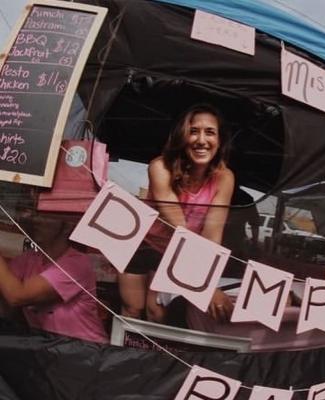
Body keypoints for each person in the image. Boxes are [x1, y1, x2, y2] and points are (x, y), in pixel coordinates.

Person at [119, 103, 235, 323]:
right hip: (145, 243)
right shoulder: (159, 167)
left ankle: (155, 357)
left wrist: (206, 282)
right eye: (193, 131)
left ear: (219, 141)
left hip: (179, 251)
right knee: (132, 309)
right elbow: (179, 226)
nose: (201, 140)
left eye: (210, 132)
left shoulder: (225, 177)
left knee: (157, 312)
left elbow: (212, 235)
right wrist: (206, 287)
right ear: (182, 137)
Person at [0, 207, 108, 344]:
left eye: (46, 217)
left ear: (67, 227)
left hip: (86, 354)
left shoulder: (77, 263)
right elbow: (5, 287)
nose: (36, 221)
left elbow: (17, 296)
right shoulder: (28, 259)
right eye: (35, 215)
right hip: (52, 351)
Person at [222, 187, 260, 278]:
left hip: (236, 242)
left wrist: (254, 243)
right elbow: (255, 224)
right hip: (227, 241)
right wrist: (254, 243)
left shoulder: (246, 198)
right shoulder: (215, 190)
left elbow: (255, 223)